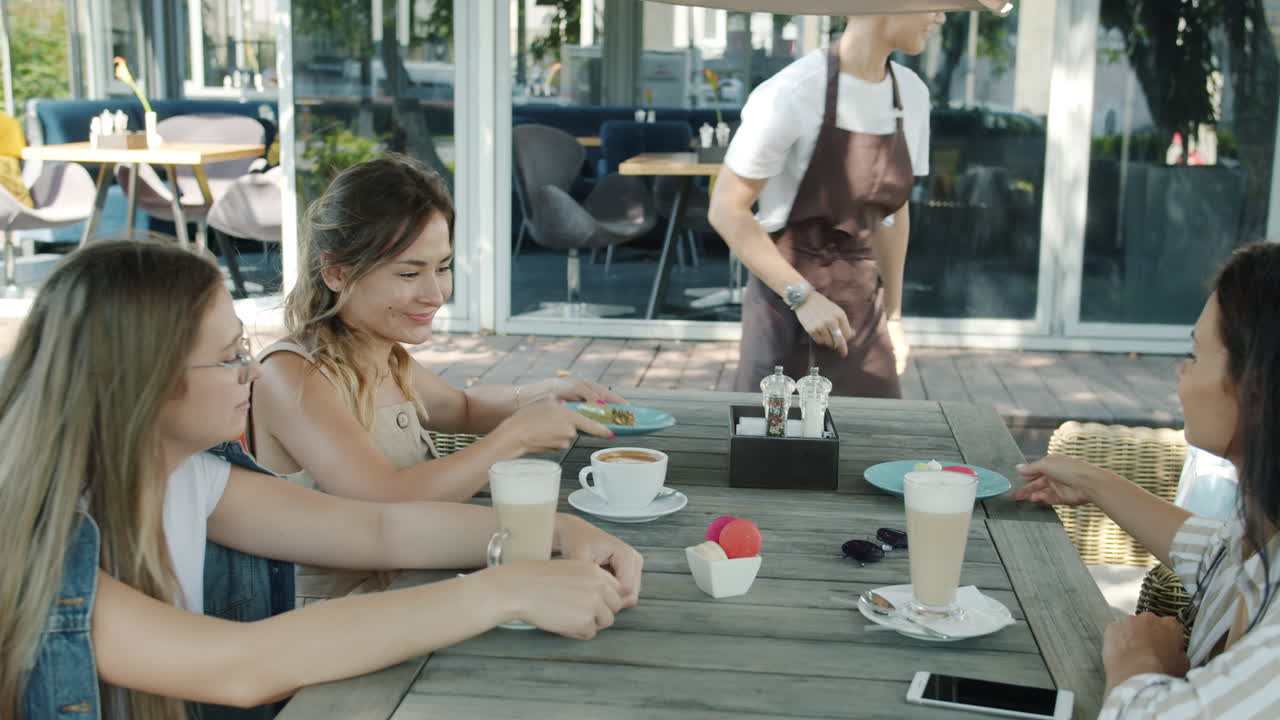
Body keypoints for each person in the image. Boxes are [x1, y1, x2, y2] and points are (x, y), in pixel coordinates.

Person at [1, 240, 643, 720]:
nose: (252, 373)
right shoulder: (39, 547)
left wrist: (562, 530)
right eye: (229, 358)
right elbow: (242, 666)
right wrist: (500, 593)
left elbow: (380, 529)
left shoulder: (189, 477)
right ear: (144, 383)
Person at [250, 154, 623, 503]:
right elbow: (384, 498)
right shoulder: (293, 374)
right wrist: (516, 436)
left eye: (442, 268)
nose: (435, 294)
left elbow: (462, 407)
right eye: (410, 273)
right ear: (336, 273)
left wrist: (551, 392)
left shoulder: (380, 355)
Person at [1015, 241, 1280, 717]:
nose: (1181, 370)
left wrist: (1137, 661)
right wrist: (1092, 482)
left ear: (1255, 388)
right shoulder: (1262, 537)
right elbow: (1213, 553)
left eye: (1194, 355)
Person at [709, 13, 941, 398]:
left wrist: (894, 317)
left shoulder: (912, 94)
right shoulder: (792, 92)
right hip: (785, 308)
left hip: (863, 311)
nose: (939, 16)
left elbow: (893, 217)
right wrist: (802, 296)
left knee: (875, 442)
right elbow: (726, 209)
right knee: (772, 448)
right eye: (933, 2)